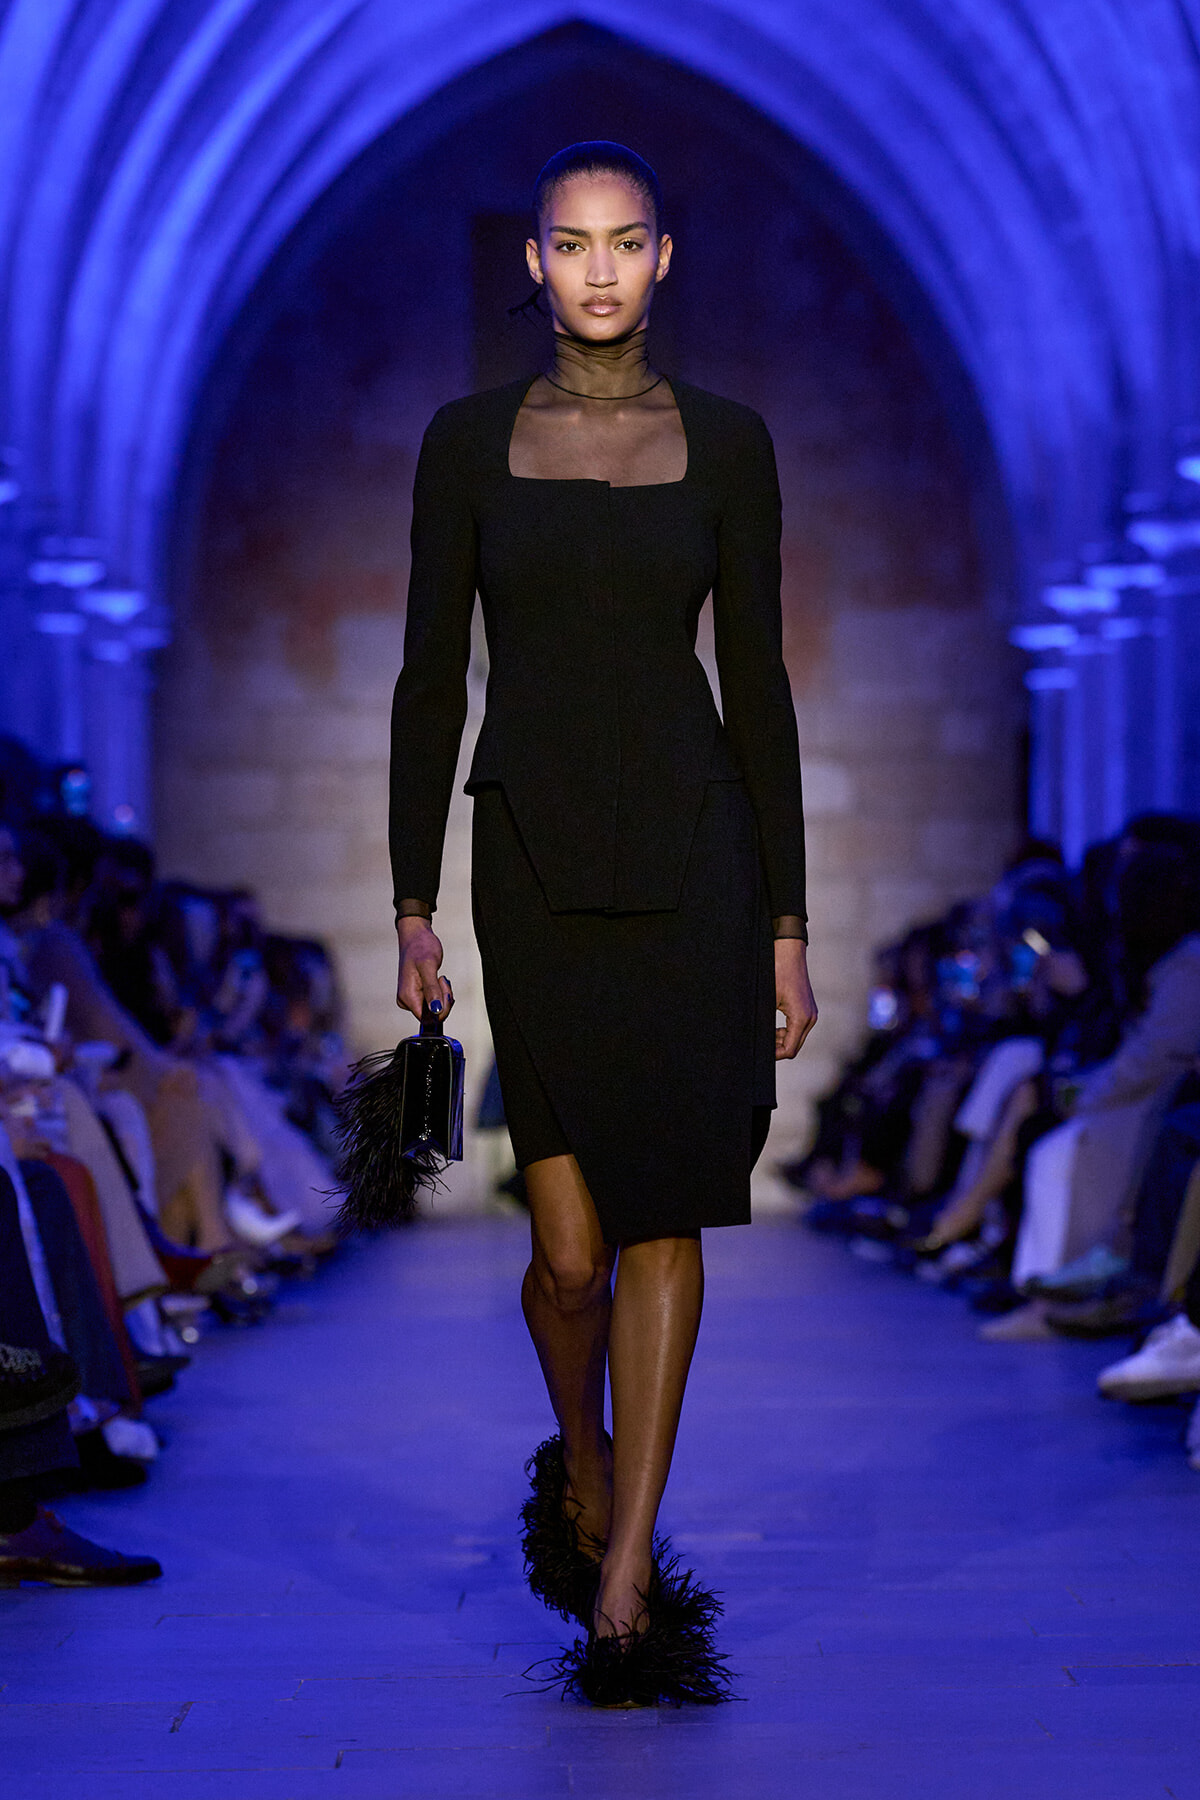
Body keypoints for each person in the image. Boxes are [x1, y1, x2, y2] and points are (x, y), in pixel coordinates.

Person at [387, 141, 816, 1707]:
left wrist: (787, 920)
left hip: (698, 853)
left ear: (664, 258)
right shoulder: (464, 443)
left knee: (664, 1214)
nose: (599, 270)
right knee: (566, 1256)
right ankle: (582, 1457)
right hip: (533, 856)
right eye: (571, 244)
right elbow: (429, 677)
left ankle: (627, 1576)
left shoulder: (731, 444)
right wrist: (412, 901)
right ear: (534, 262)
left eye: (625, 242)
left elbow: (757, 682)